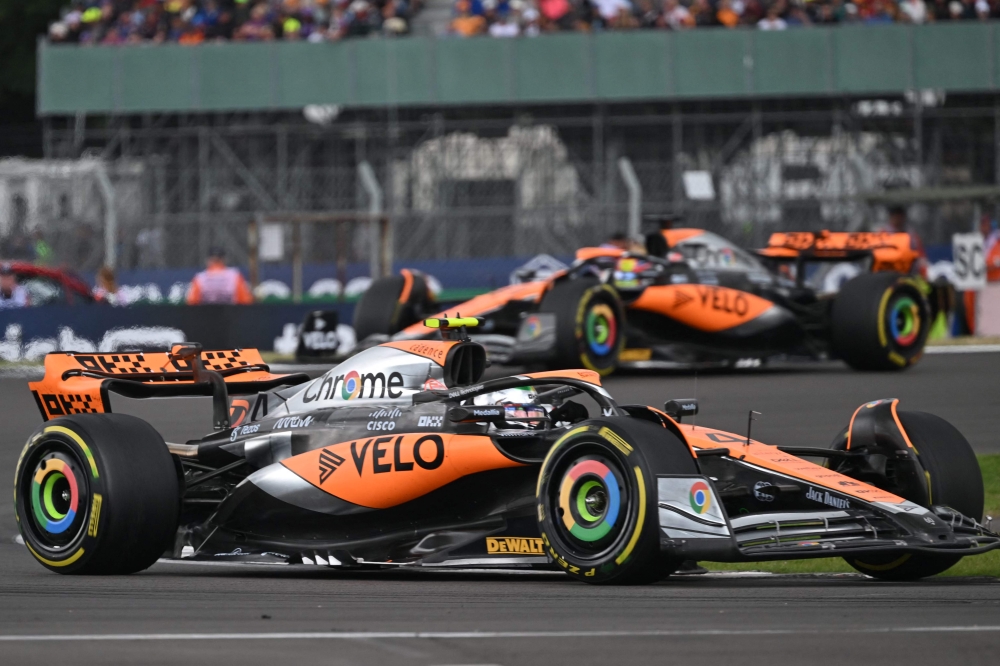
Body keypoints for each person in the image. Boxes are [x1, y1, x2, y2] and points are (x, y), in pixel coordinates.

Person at [186, 248, 254, 305]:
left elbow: (191, 302)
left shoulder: (200, 278)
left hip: (205, 317)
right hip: (231, 317)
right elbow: (246, 301)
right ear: (224, 260)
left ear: (208, 260)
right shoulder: (234, 276)